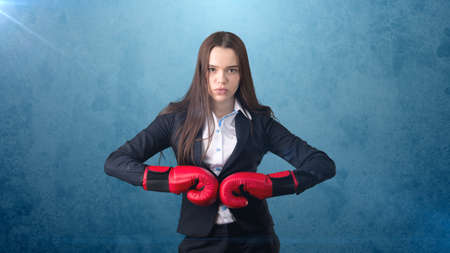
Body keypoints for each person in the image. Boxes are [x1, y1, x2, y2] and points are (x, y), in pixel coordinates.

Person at [104, 31, 336, 253]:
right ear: (201, 72)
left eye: (231, 70)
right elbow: (116, 162)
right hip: (199, 242)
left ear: (242, 74)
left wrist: (271, 185)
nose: (221, 79)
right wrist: (170, 179)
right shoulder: (174, 120)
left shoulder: (260, 123)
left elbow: (321, 164)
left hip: (256, 241)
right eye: (212, 69)